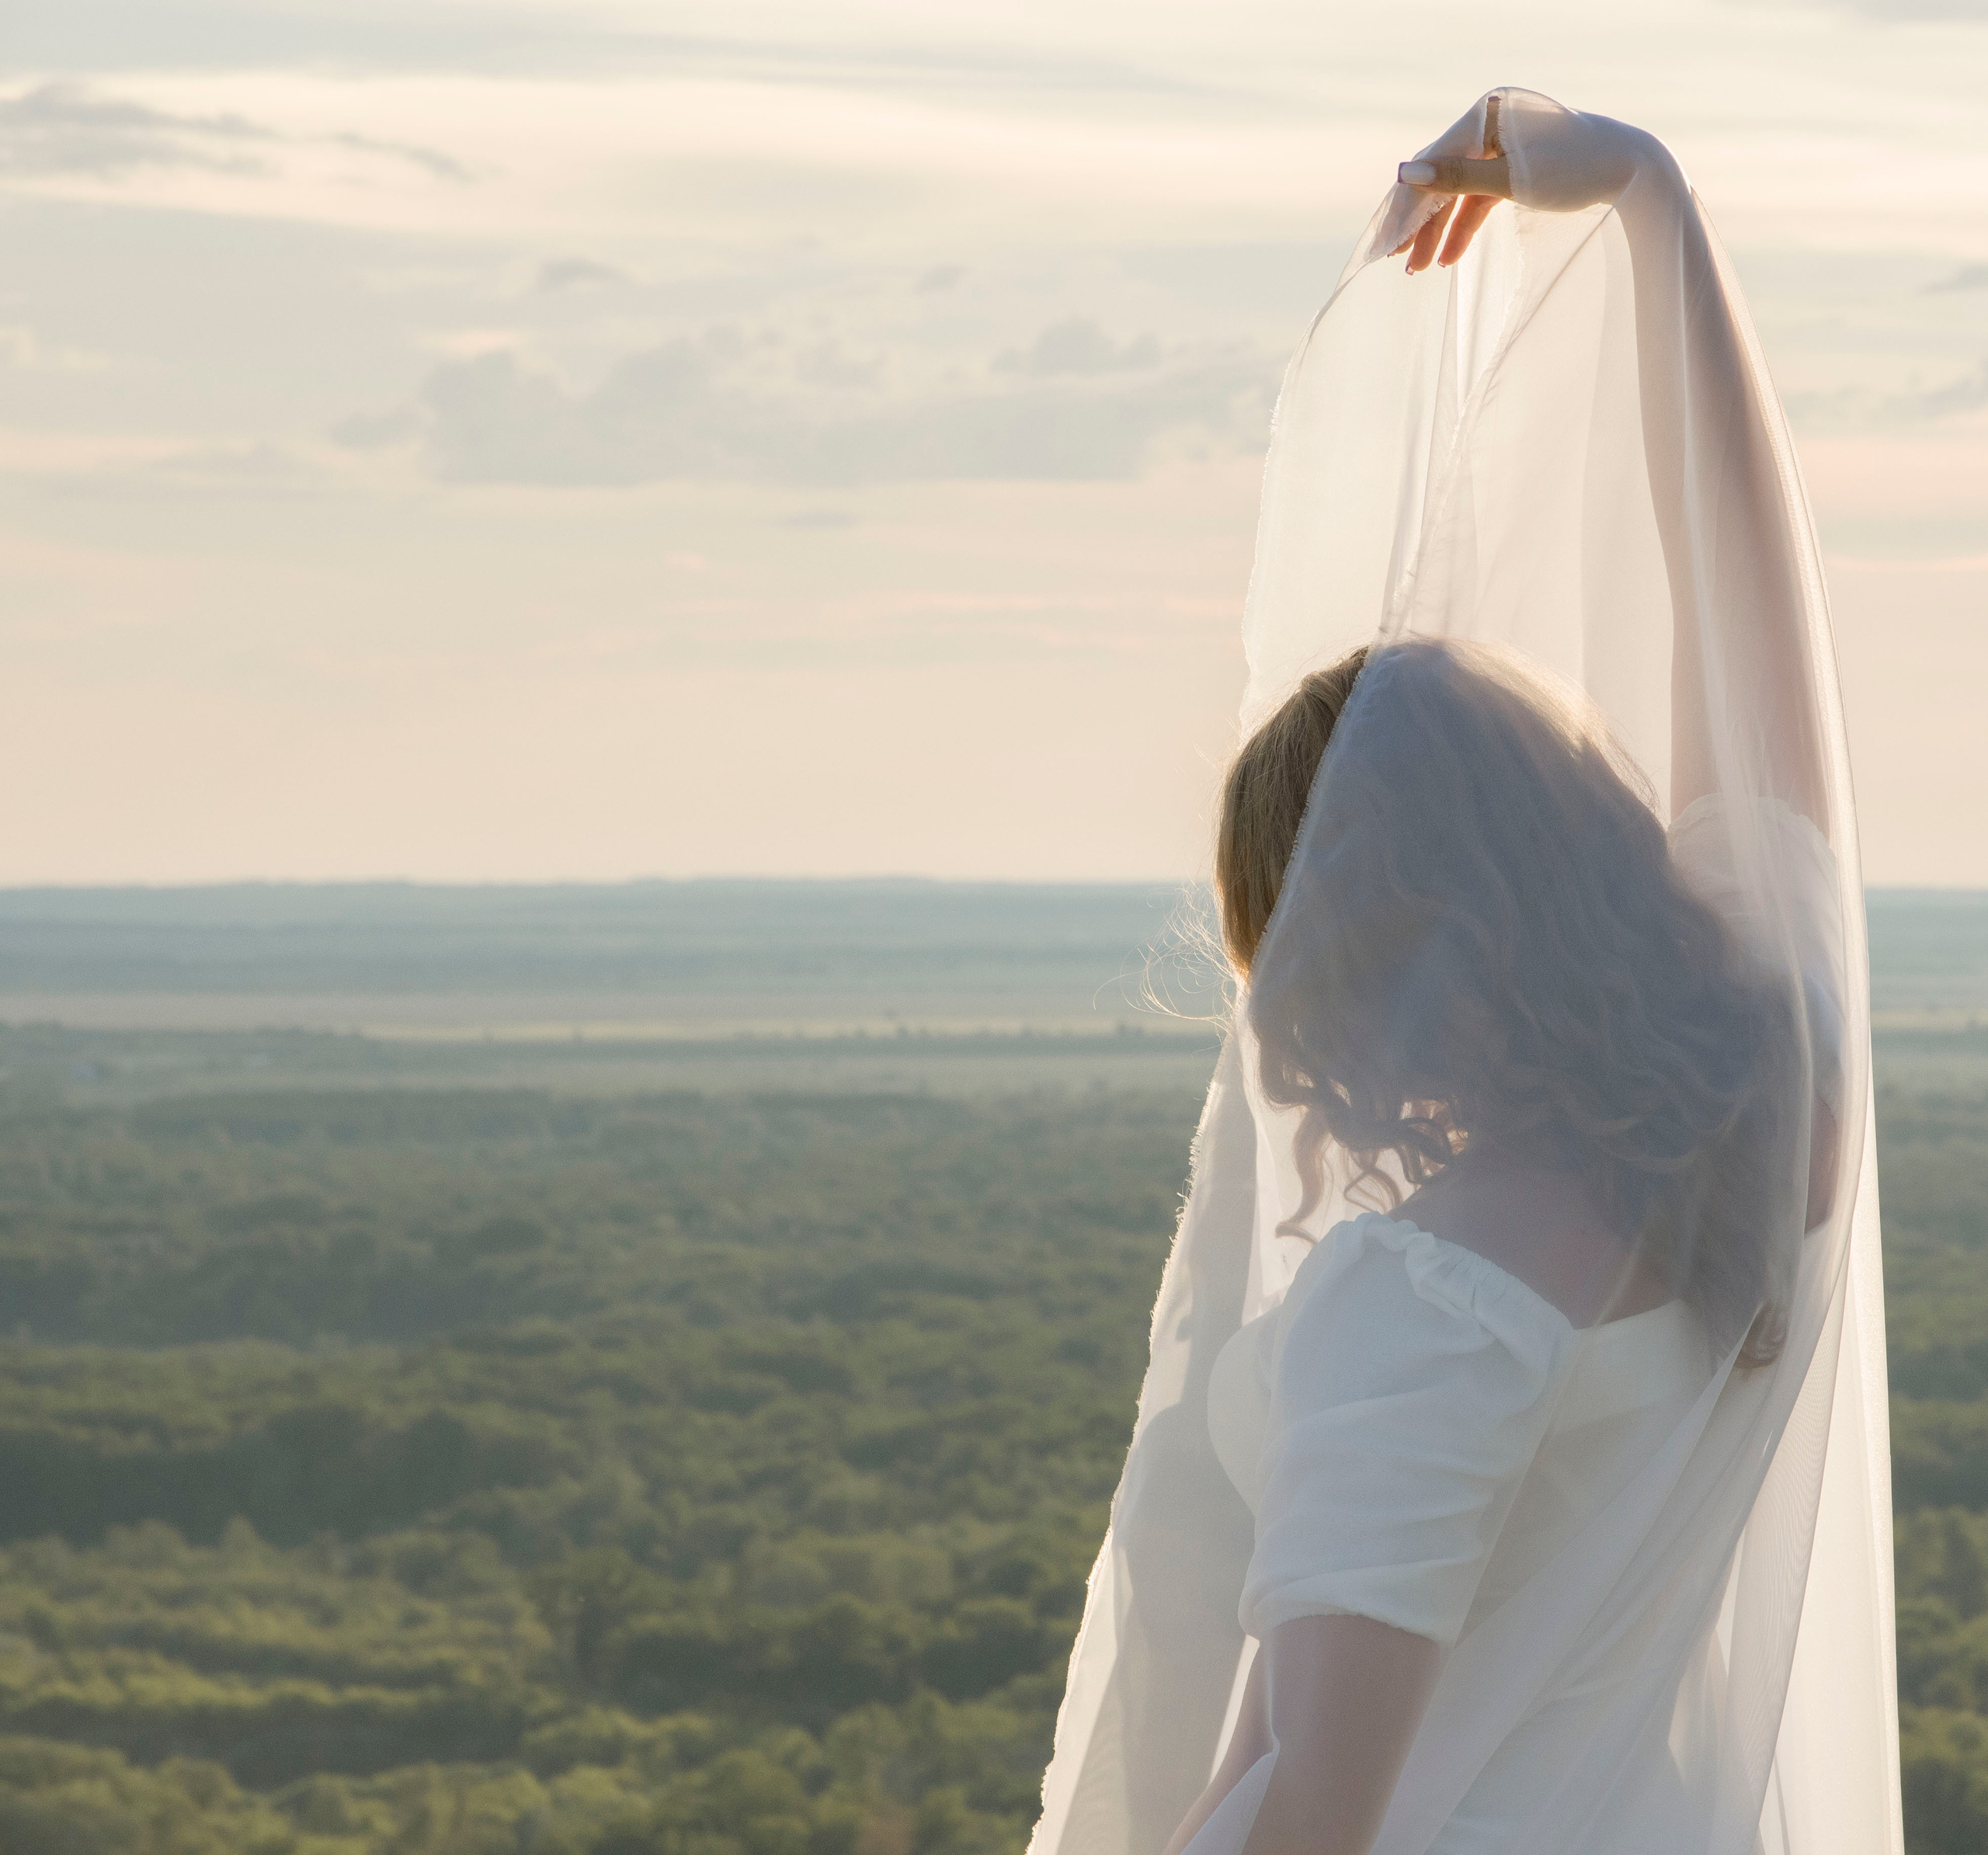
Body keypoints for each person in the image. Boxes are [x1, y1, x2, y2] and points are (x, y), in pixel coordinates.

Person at [1029, 91, 1898, 1855]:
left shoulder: (1422, 1300)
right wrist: (1649, 211)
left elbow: (1305, 1817)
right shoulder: (1764, 1116)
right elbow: (1755, 670)